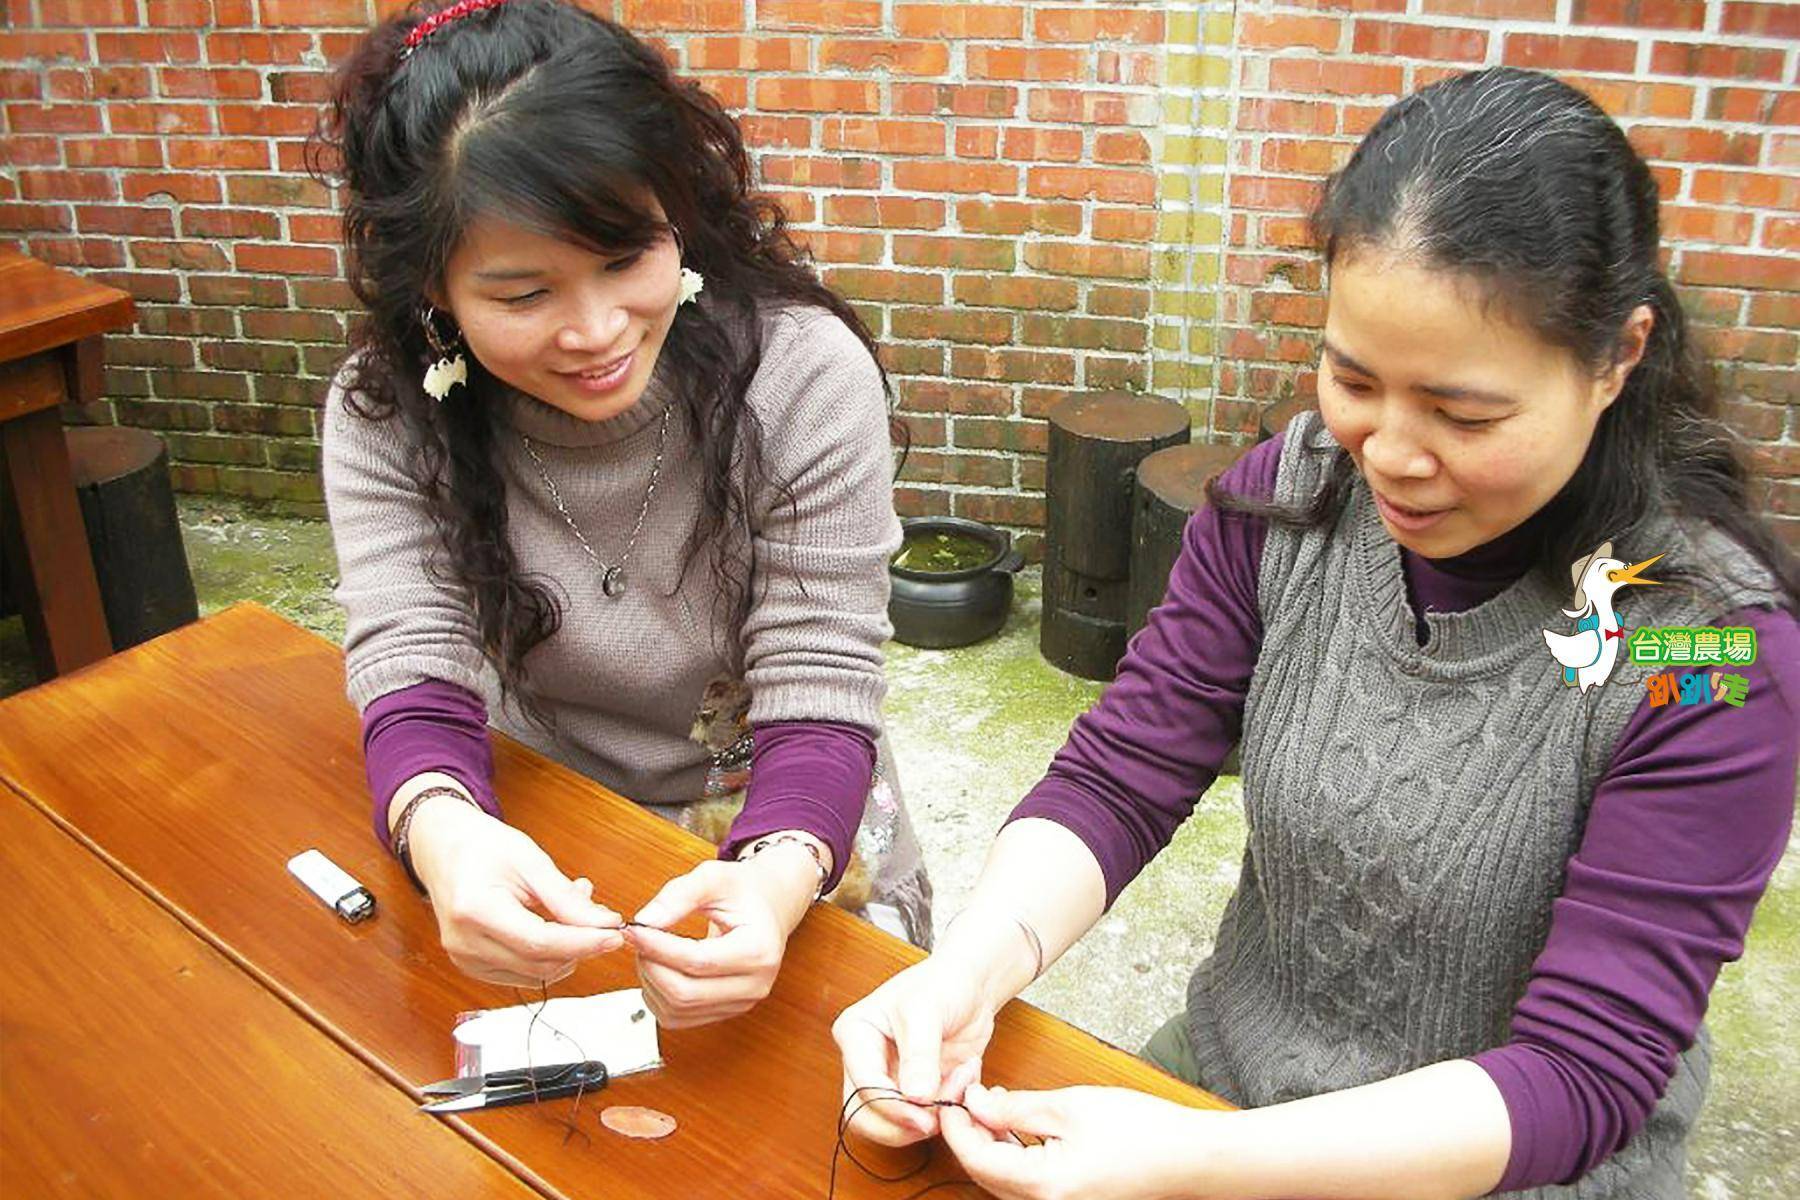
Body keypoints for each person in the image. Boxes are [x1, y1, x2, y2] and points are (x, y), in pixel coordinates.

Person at [835, 67, 1797, 1199]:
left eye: (1463, 412)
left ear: (1618, 358)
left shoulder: (1710, 649)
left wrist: (1196, 1163)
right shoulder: (1295, 502)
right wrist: (969, 971)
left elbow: (1585, 1073)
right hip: (1229, 1089)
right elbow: (1124, 770)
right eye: (1353, 378)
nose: (1387, 450)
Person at [316, 0, 931, 1030]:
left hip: (793, 818)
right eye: (523, 295)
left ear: (675, 213)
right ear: (433, 286)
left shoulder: (799, 377)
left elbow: (822, 677)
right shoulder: (389, 418)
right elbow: (411, 662)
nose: (597, 332)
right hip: (543, 829)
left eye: (624, 259)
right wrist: (444, 834)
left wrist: (777, 884)